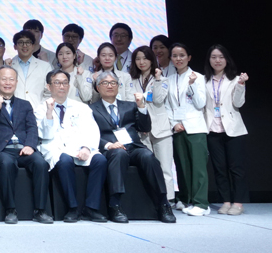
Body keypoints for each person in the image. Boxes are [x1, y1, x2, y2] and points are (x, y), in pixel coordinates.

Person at [89, 71, 176, 224]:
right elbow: (89, 133)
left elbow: (145, 127)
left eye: (113, 83)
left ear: (118, 86)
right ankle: (115, 205)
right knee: (119, 154)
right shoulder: (91, 109)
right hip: (111, 148)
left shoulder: (130, 106)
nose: (110, 86)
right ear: (98, 87)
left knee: (148, 156)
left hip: (133, 146)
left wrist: (141, 107)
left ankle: (163, 204)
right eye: (105, 83)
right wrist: (108, 145)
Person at [0, 67, 52, 224]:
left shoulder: (25, 104)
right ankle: (10, 210)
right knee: (6, 164)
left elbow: (32, 128)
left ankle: (40, 210)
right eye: (4, 79)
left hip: (23, 148)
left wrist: (30, 145)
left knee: (41, 163)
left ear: (16, 82)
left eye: (11, 79)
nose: (8, 83)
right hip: (2, 150)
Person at [35, 69, 107, 223]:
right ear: (49, 86)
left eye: (65, 83)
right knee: (64, 160)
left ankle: (91, 208)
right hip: (55, 147)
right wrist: (49, 113)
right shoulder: (40, 108)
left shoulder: (82, 107)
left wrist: (86, 147)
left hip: (79, 146)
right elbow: (45, 135)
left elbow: (92, 130)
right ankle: (72, 208)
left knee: (100, 160)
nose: (61, 86)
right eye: (57, 83)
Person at [203, 44, 248, 215]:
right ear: (209, 60)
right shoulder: (203, 81)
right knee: (219, 168)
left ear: (227, 59)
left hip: (233, 130)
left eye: (221, 57)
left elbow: (238, 103)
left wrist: (241, 85)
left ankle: (238, 203)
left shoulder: (235, 80)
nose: (217, 60)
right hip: (212, 129)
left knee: (236, 168)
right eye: (214, 57)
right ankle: (226, 201)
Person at [166, 43, 209, 215]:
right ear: (171, 58)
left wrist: (191, 84)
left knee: (198, 167)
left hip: (195, 127)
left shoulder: (198, 77)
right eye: (175, 56)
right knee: (181, 166)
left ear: (189, 58)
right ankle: (184, 199)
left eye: (182, 55)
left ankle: (201, 204)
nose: (178, 59)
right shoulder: (169, 79)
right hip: (178, 127)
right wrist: (173, 124)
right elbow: (167, 106)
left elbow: (200, 103)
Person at [129, 46, 175, 203]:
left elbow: (158, 99)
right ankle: (151, 200)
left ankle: (168, 200)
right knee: (148, 167)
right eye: (138, 59)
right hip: (142, 130)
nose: (141, 62)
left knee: (165, 167)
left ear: (151, 60)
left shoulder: (162, 80)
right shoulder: (132, 80)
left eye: (145, 58)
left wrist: (157, 79)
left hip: (161, 129)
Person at [10, 31, 52, 107]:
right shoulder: (8, 66)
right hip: (14, 110)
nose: (24, 46)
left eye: (28, 42)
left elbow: (49, 92)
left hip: (38, 110)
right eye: (21, 42)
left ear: (33, 46)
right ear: (15, 46)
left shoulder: (45, 66)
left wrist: (40, 109)